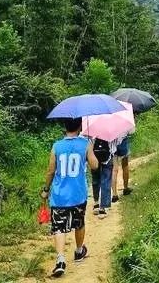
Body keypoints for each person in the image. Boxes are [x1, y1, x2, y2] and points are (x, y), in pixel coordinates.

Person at [41, 117, 98, 278]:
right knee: (79, 223)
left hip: (59, 195)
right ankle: (79, 251)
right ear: (80, 126)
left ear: (65, 127)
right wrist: (91, 148)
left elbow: (51, 171)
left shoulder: (57, 146)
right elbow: (95, 166)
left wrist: (46, 190)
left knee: (58, 227)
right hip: (78, 194)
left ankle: (60, 260)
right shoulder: (85, 144)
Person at [91, 137, 113, 218]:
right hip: (108, 156)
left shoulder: (91, 127)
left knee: (95, 179)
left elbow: (88, 142)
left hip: (94, 156)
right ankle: (103, 208)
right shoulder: (111, 129)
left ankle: (96, 203)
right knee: (106, 180)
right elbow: (115, 144)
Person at [111, 135, 132, 202]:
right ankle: (125, 188)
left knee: (114, 169)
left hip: (112, 141)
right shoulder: (124, 124)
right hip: (122, 139)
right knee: (125, 165)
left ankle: (114, 194)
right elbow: (131, 130)